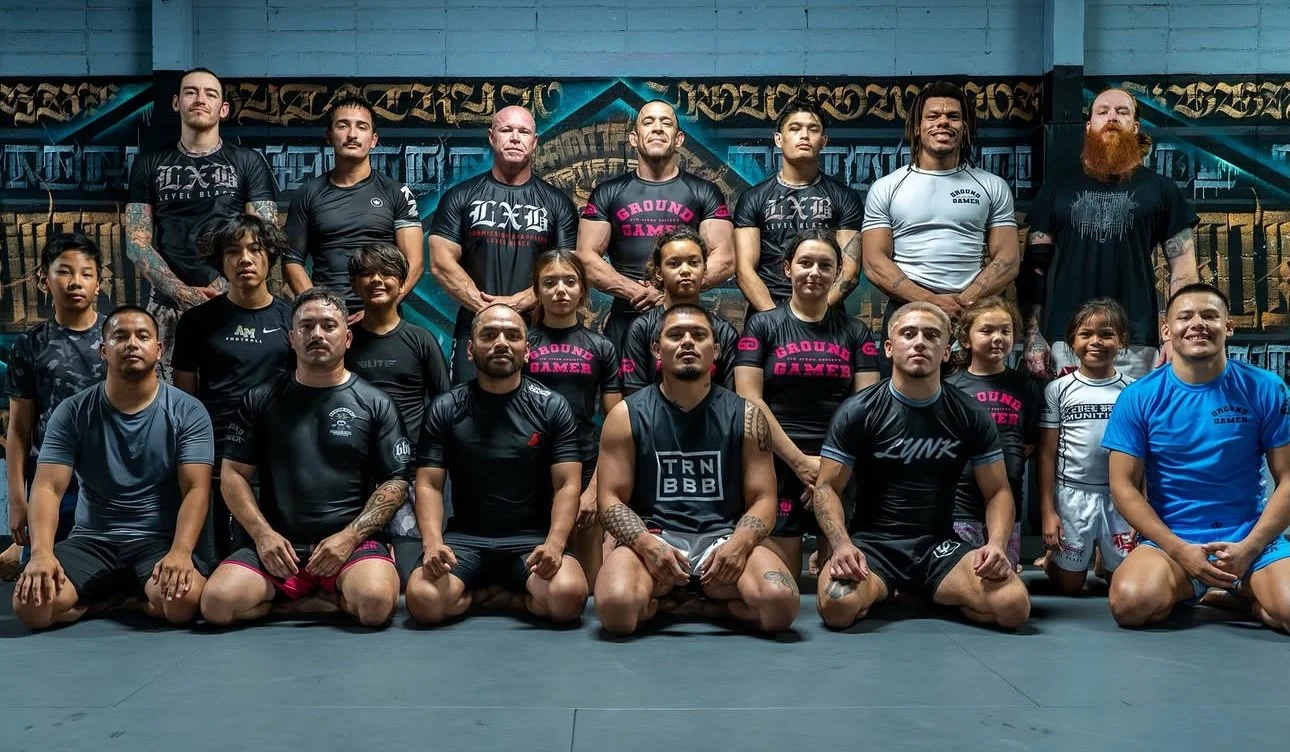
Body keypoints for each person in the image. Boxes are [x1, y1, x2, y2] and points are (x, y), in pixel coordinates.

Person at [811, 302, 1031, 630]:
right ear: (889, 348)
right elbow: (827, 487)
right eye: (908, 334)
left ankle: (931, 592)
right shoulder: (858, 411)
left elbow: (998, 490)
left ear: (946, 351)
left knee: (1013, 607)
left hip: (938, 548)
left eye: (931, 335)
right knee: (837, 607)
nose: (919, 343)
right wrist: (841, 545)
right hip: (873, 547)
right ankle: (892, 590)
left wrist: (996, 545)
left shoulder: (969, 413)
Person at [198, 288, 410, 628]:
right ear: (291, 339)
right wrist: (263, 536)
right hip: (279, 545)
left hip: (351, 544)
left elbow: (396, 482)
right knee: (216, 605)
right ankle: (319, 603)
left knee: (375, 605)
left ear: (348, 338)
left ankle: (304, 601)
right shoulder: (260, 399)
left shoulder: (375, 403)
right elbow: (233, 474)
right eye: (307, 326)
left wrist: (349, 537)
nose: (317, 334)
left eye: (329, 325)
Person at [594, 303, 800, 636]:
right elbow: (610, 499)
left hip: (723, 538)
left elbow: (763, 499)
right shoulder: (626, 415)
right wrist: (647, 545)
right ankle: (671, 600)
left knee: (781, 604)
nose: (687, 341)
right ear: (657, 349)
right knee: (616, 610)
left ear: (715, 350)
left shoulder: (748, 416)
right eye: (675, 335)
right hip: (654, 536)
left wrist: (740, 544)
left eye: (699, 335)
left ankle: (698, 606)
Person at [12, 306, 215, 629]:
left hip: (157, 540)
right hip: (92, 540)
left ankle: (126, 599)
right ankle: (107, 601)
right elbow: (48, 487)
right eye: (120, 336)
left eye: (142, 336)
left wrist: (180, 551)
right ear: (104, 350)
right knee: (31, 607)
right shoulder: (72, 411)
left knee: (182, 604)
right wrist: (41, 554)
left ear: (158, 350)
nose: (132, 343)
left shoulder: (188, 411)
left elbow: (196, 488)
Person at [1103, 284, 1290, 631]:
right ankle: (1206, 586)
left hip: (1250, 540)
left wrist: (1250, 547)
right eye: (1185, 317)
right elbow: (1122, 486)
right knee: (1130, 604)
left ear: (1228, 327)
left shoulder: (1266, 387)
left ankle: (1243, 593)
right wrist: (1179, 550)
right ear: (1166, 330)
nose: (1197, 324)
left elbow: (1288, 479)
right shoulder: (1138, 397)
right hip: (1174, 541)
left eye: (1209, 316)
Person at [401, 304, 589, 626]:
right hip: (466, 538)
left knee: (568, 597)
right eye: (489, 335)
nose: (501, 343)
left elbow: (567, 484)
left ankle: (497, 597)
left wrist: (555, 544)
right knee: (423, 601)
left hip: (531, 539)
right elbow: (429, 483)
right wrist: (432, 543)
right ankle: (500, 596)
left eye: (512, 336)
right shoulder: (446, 407)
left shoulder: (552, 407)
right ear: (470, 350)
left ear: (526, 351)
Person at [1021, 87, 1200, 381]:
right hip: (1068, 338)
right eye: (1103, 112)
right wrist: (1033, 335)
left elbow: (1184, 269)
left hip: (1137, 340)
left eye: (1122, 112)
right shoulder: (1057, 189)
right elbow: (1034, 269)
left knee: (1137, 411)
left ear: (1135, 127)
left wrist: (1175, 335)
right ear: (1089, 126)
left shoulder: (1161, 189)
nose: (1112, 118)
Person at [734, 229, 880, 575]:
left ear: (837, 273)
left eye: (825, 265)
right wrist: (800, 463)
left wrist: (828, 472)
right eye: (805, 263)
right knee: (781, 581)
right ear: (788, 269)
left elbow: (865, 407)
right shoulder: (762, 326)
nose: (814, 272)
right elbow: (749, 399)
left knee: (838, 577)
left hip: (839, 463)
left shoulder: (856, 332)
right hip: (775, 461)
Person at [125, 67, 278, 380]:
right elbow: (136, 243)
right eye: (191, 92)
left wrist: (222, 289)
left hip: (234, 302)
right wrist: (183, 293)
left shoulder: (248, 162)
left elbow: (265, 236)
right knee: (167, 398)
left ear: (223, 108)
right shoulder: (149, 163)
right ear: (176, 102)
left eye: (210, 94)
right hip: (167, 305)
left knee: (234, 392)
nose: (200, 99)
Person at [860, 81, 1019, 344]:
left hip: (971, 312)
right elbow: (874, 263)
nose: (943, 122)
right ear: (917, 127)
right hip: (908, 309)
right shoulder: (886, 187)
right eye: (933, 116)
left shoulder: (992, 185)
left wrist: (965, 302)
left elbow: (1008, 259)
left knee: (973, 375)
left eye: (953, 116)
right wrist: (930, 301)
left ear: (964, 127)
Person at [173, 215, 294, 560]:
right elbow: (185, 397)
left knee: (271, 552)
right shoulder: (196, 321)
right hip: (214, 451)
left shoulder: (292, 319)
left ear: (270, 257)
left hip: (275, 453)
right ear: (220, 261)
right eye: (233, 251)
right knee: (212, 557)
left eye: (255, 250)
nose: (245, 259)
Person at [429, 105, 578, 384]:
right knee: (468, 406)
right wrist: (487, 309)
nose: (515, 138)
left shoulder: (558, 204)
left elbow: (568, 272)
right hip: (475, 329)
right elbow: (441, 263)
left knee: (539, 408)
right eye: (506, 130)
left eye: (523, 132)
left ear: (534, 142)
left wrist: (517, 304)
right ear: (491, 136)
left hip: (538, 331)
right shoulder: (459, 197)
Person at [577, 100, 734, 356]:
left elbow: (725, 259)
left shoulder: (705, 192)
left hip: (686, 320)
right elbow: (585, 258)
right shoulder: (607, 193)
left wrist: (669, 292)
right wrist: (637, 292)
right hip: (626, 318)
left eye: (666, 122)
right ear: (633, 138)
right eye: (648, 122)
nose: (658, 128)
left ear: (679, 139)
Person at [3, 234, 107, 580]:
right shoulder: (29, 345)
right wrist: (17, 499)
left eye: (86, 273)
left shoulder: (119, 338)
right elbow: (19, 429)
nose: (76, 282)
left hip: (109, 479)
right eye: (64, 271)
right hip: (50, 481)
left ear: (98, 283)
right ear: (43, 280)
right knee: (45, 580)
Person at [525, 250, 622, 586]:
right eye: (550, 283)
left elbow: (615, 424)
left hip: (584, 460)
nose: (560, 290)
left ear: (582, 289)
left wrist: (595, 490)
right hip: (530, 461)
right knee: (537, 570)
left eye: (569, 281)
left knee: (591, 582)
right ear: (536, 291)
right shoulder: (522, 343)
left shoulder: (601, 347)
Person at [344, 242, 451, 543]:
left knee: (413, 555)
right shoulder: (344, 342)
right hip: (354, 469)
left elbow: (445, 404)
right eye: (366, 274)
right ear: (354, 284)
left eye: (386, 273)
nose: (376, 280)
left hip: (410, 470)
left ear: (402, 282)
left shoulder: (421, 340)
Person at [283, 97, 423, 315]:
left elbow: (415, 263)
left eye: (362, 127)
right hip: (327, 317)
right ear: (329, 136)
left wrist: (381, 308)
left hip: (382, 316)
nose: (352, 134)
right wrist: (321, 310)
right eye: (343, 126)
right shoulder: (307, 194)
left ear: (373, 139)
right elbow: (291, 260)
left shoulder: (397, 193)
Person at [1037, 300, 1135, 592]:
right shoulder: (1058, 389)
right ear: (1072, 340)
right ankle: (1055, 559)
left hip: (1120, 497)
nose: (1096, 341)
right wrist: (1048, 512)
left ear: (1121, 340)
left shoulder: (1133, 390)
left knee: (1124, 586)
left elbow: (1144, 457)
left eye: (1106, 334)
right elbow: (1046, 454)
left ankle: (1104, 556)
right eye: (1086, 334)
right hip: (1073, 495)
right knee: (1069, 587)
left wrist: (1141, 510)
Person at [734, 99, 864, 315]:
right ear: (778, 139)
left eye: (813, 129)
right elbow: (744, 271)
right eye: (795, 128)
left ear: (823, 141)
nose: (804, 135)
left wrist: (812, 315)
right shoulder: (753, 198)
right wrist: (776, 319)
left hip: (825, 314)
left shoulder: (845, 197)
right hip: (767, 313)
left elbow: (849, 273)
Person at [945, 297, 1042, 570]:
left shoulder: (1026, 386)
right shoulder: (950, 387)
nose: (997, 338)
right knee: (964, 573)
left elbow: (1029, 442)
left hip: (1008, 500)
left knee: (1001, 572)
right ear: (966, 339)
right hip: (961, 504)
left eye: (1005, 331)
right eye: (987, 330)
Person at [619, 228, 739, 394]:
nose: (685, 270)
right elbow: (634, 395)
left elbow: (730, 397)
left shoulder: (724, 332)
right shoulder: (641, 328)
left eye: (694, 263)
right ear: (659, 272)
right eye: (674, 264)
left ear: (704, 270)